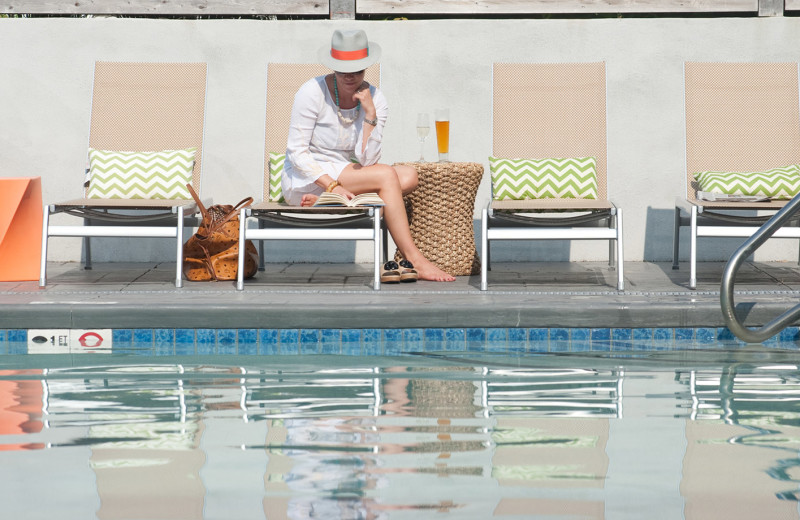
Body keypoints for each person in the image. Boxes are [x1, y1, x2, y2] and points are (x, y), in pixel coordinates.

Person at [282, 29, 455, 283]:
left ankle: (327, 200)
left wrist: (370, 117)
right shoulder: (312, 92)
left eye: (357, 69)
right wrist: (331, 185)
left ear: (367, 67)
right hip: (308, 175)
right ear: (333, 67)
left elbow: (368, 161)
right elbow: (296, 152)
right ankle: (414, 257)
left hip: (346, 174)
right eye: (343, 70)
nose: (350, 76)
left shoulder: (375, 98)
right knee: (387, 176)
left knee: (408, 176)